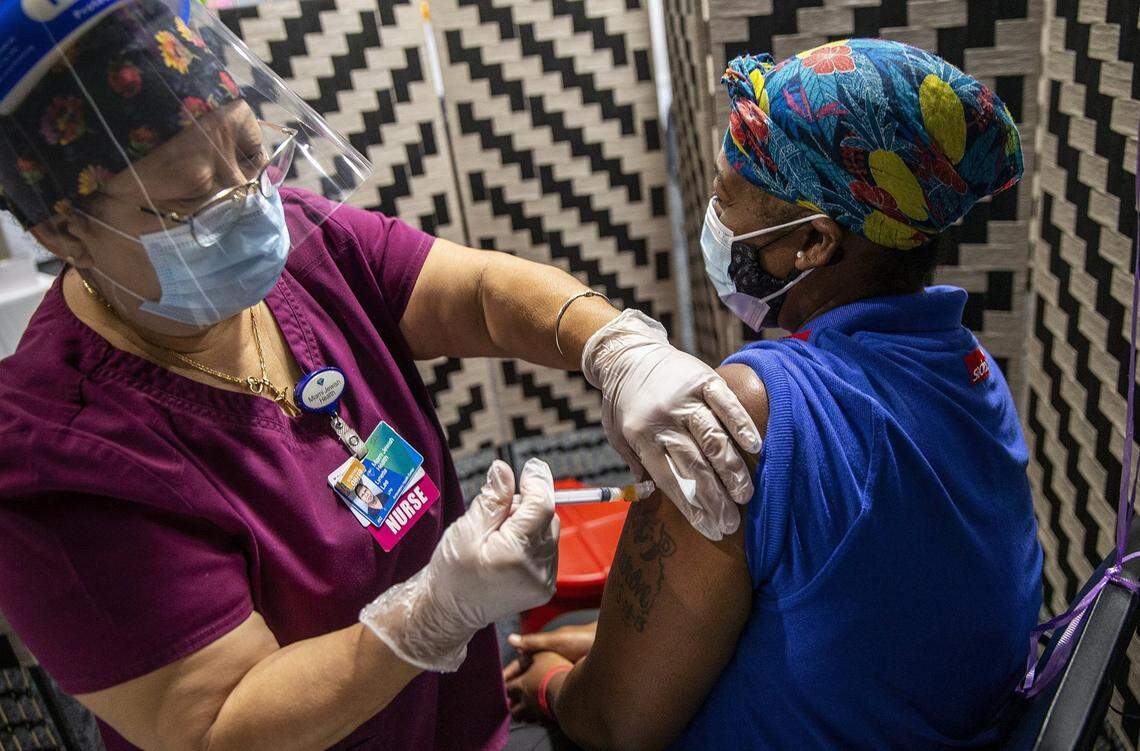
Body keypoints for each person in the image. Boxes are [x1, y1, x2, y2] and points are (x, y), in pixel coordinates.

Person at [0, 3, 761, 750]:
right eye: (188, 206)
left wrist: (616, 346)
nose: (247, 204)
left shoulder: (298, 240)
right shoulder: (54, 460)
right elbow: (215, 724)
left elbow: (478, 293)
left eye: (250, 153)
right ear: (62, 229)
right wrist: (430, 613)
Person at [503, 39, 1044, 750]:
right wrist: (608, 643)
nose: (714, 219)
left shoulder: (755, 407)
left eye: (728, 200)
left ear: (812, 243)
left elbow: (613, 722)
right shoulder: (970, 367)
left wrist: (546, 682)